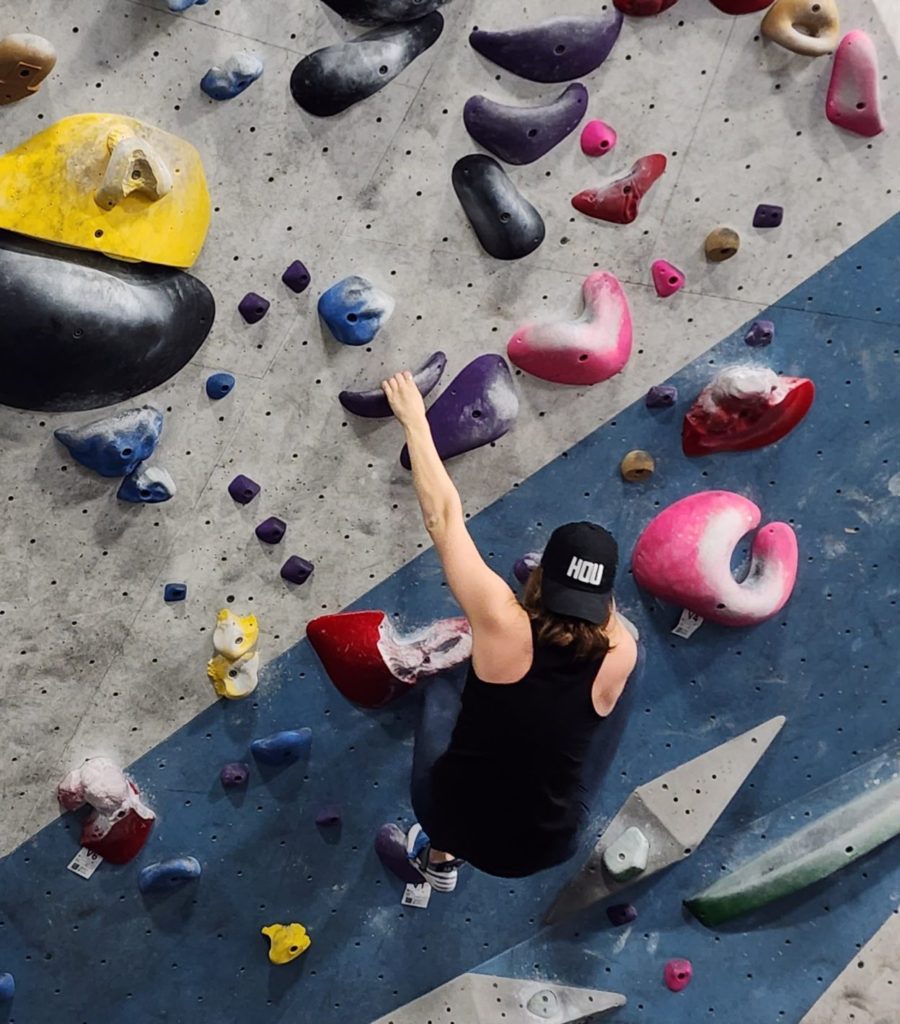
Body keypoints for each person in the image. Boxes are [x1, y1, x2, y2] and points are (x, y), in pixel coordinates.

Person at [381, 371, 638, 891]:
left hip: (450, 818)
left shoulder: (502, 622)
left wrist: (413, 420)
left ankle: (440, 854)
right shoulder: (622, 649)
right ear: (606, 600)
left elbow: (443, 519)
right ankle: (445, 858)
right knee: (598, 710)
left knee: (442, 689)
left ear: (540, 578)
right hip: (543, 847)